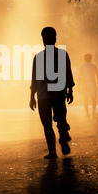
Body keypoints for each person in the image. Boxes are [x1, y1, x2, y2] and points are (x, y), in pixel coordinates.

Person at [29, 27, 75, 159]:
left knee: (51, 123)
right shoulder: (59, 54)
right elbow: (35, 79)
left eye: (48, 37)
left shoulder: (40, 57)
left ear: (54, 38)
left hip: (48, 95)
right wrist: (70, 91)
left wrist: (32, 97)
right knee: (53, 122)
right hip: (52, 94)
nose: (46, 39)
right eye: (44, 37)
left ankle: (57, 147)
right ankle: (59, 143)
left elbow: (67, 73)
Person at [78, 53, 98, 118]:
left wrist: (78, 86)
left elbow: (79, 78)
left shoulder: (81, 67)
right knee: (93, 99)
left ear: (84, 59)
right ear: (91, 59)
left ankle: (87, 114)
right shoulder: (94, 66)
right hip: (92, 83)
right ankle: (93, 113)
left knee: (85, 99)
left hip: (84, 84)